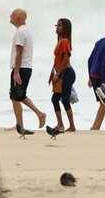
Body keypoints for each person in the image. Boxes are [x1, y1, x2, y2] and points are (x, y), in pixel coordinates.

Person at [8, 8, 46, 136]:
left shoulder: (20, 32)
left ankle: (39, 114)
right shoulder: (25, 30)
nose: (10, 16)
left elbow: (19, 52)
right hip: (25, 67)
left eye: (12, 14)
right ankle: (19, 125)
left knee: (18, 96)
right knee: (15, 96)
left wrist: (16, 72)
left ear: (19, 17)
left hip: (21, 68)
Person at [47, 17, 76, 134]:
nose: (57, 27)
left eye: (60, 26)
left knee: (64, 100)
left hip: (66, 73)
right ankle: (61, 124)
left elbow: (65, 59)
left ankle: (70, 126)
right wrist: (52, 72)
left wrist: (58, 74)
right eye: (57, 25)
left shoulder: (64, 41)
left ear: (65, 29)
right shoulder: (61, 41)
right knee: (55, 99)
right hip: (62, 73)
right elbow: (58, 60)